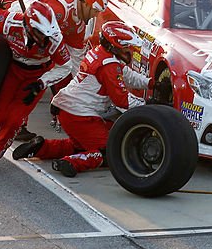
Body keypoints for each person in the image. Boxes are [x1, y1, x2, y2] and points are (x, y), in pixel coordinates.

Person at [12, 21, 149, 176]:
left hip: (68, 109)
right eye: (126, 46)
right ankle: (72, 162)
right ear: (115, 45)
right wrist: (148, 105)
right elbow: (122, 100)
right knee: (112, 152)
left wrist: (151, 83)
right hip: (79, 115)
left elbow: (128, 76)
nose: (129, 50)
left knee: (81, 145)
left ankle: (41, 148)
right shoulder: (108, 66)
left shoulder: (101, 53)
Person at [0, 0, 72, 173]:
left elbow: (66, 66)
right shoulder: (10, 22)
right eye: (40, 33)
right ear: (28, 26)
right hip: (12, 70)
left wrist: (42, 82)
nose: (44, 38)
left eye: (47, 34)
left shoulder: (54, 40)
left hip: (36, 78)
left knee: (14, 120)